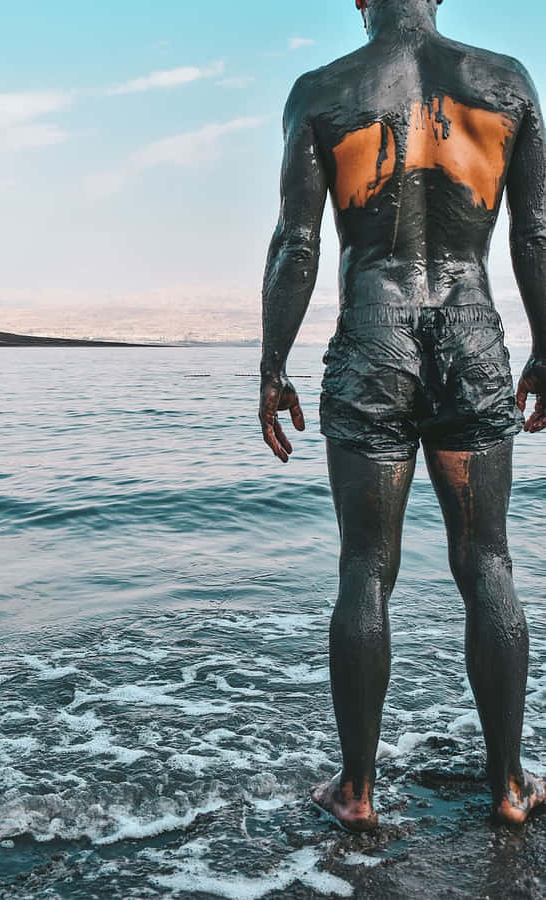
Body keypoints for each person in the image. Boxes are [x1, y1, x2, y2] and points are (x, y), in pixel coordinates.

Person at [259, 0, 546, 832]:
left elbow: (296, 242)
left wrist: (272, 364)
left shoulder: (323, 88)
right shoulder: (506, 83)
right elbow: (533, 231)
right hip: (470, 332)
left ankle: (356, 792)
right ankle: (508, 786)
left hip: (373, 341)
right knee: (485, 560)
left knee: (364, 568)